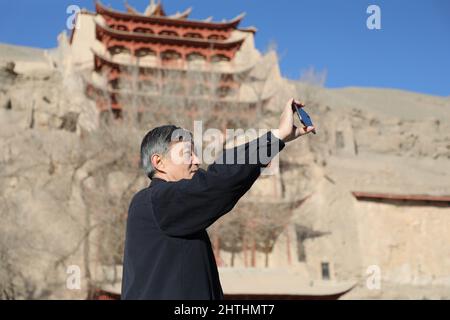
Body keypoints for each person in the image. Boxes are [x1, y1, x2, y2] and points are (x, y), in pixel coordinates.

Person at [121, 99, 316, 300]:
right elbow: (218, 182)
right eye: (188, 154)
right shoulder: (154, 201)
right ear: (158, 162)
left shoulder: (170, 211)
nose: (197, 161)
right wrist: (276, 137)